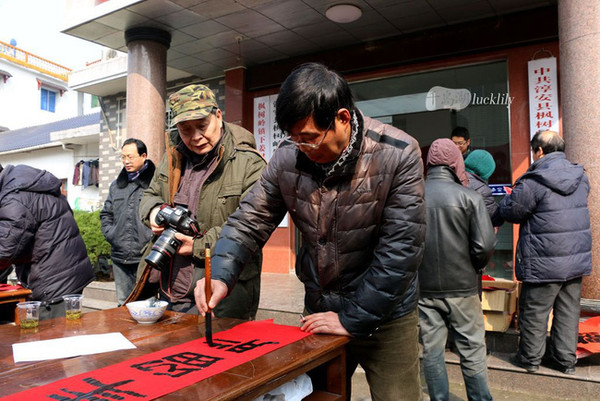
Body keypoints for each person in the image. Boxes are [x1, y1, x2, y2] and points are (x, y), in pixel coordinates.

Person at [195, 62, 426, 401]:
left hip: (387, 315)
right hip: (320, 309)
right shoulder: (288, 158)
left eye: (309, 138)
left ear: (342, 119)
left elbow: (401, 252)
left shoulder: (398, 153)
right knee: (313, 396)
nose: (301, 147)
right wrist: (220, 274)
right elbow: (248, 221)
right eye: (294, 138)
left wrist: (351, 318)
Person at [135, 84, 266, 319]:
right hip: (166, 290)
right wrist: (154, 212)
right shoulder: (173, 156)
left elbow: (251, 227)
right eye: (185, 130)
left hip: (220, 294)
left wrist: (196, 245)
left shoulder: (249, 163)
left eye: (202, 126)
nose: (195, 137)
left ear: (218, 116)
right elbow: (149, 195)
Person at [496, 130, 592, 375]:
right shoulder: (580, 177)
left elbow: (513, 211)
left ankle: (530, 359)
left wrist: (508, 199)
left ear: (539, 151)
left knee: (535, 312)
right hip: (575, 258)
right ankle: (564, 361)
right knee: (568, 311)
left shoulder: (534, 180)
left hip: (543, 259)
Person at [418, 138, 496, 401]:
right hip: (463, 288)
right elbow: (484, 245)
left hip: (424, 288)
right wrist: (473, 266)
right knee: (472, 349)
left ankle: (439, 398)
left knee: (432, 351)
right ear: (455, 163)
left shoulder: (412, 198)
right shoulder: (471, 197)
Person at [0, 164, 95, 320]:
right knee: (64, 327)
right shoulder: (26, 185)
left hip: (54, 278)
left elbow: (6, 249)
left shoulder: (15, 198)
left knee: (53, 330)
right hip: (65, 270)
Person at [100, 138, 156, 306]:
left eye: (130, 157)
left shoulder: (155, 183)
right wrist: (112, 235)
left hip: (146, 256)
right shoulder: (116, 186)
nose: (126, 161)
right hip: (120, 256)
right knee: (123, 305)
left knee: (148, 306)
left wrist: (150, 237)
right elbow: (106, 214)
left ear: (143, 156)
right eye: (123, 157)